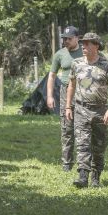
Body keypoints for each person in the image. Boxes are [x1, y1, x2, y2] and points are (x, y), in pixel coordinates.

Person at [65, 33, 108, 188]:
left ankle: (96, 176)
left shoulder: (106, 65)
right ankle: (82, 177)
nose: (84, 46)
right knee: (82, 144)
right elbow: (72, 85)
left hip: (100, 111)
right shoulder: (76, 64)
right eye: (83, 44)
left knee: (99, 146)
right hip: (81, 109)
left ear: (96, 45)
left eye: (87, 44)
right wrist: (68, 106)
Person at [47, 26, 82, 172]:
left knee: (83, 129)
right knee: (67, 128)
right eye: (64, 38)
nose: (66, 41)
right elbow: (52, 75)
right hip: (65, 91)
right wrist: (49, 95)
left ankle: (84, 164)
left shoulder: (85, 52)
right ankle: (67, 164)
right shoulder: (60, 54)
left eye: (69, 38)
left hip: (83, 92)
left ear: (77, 38)